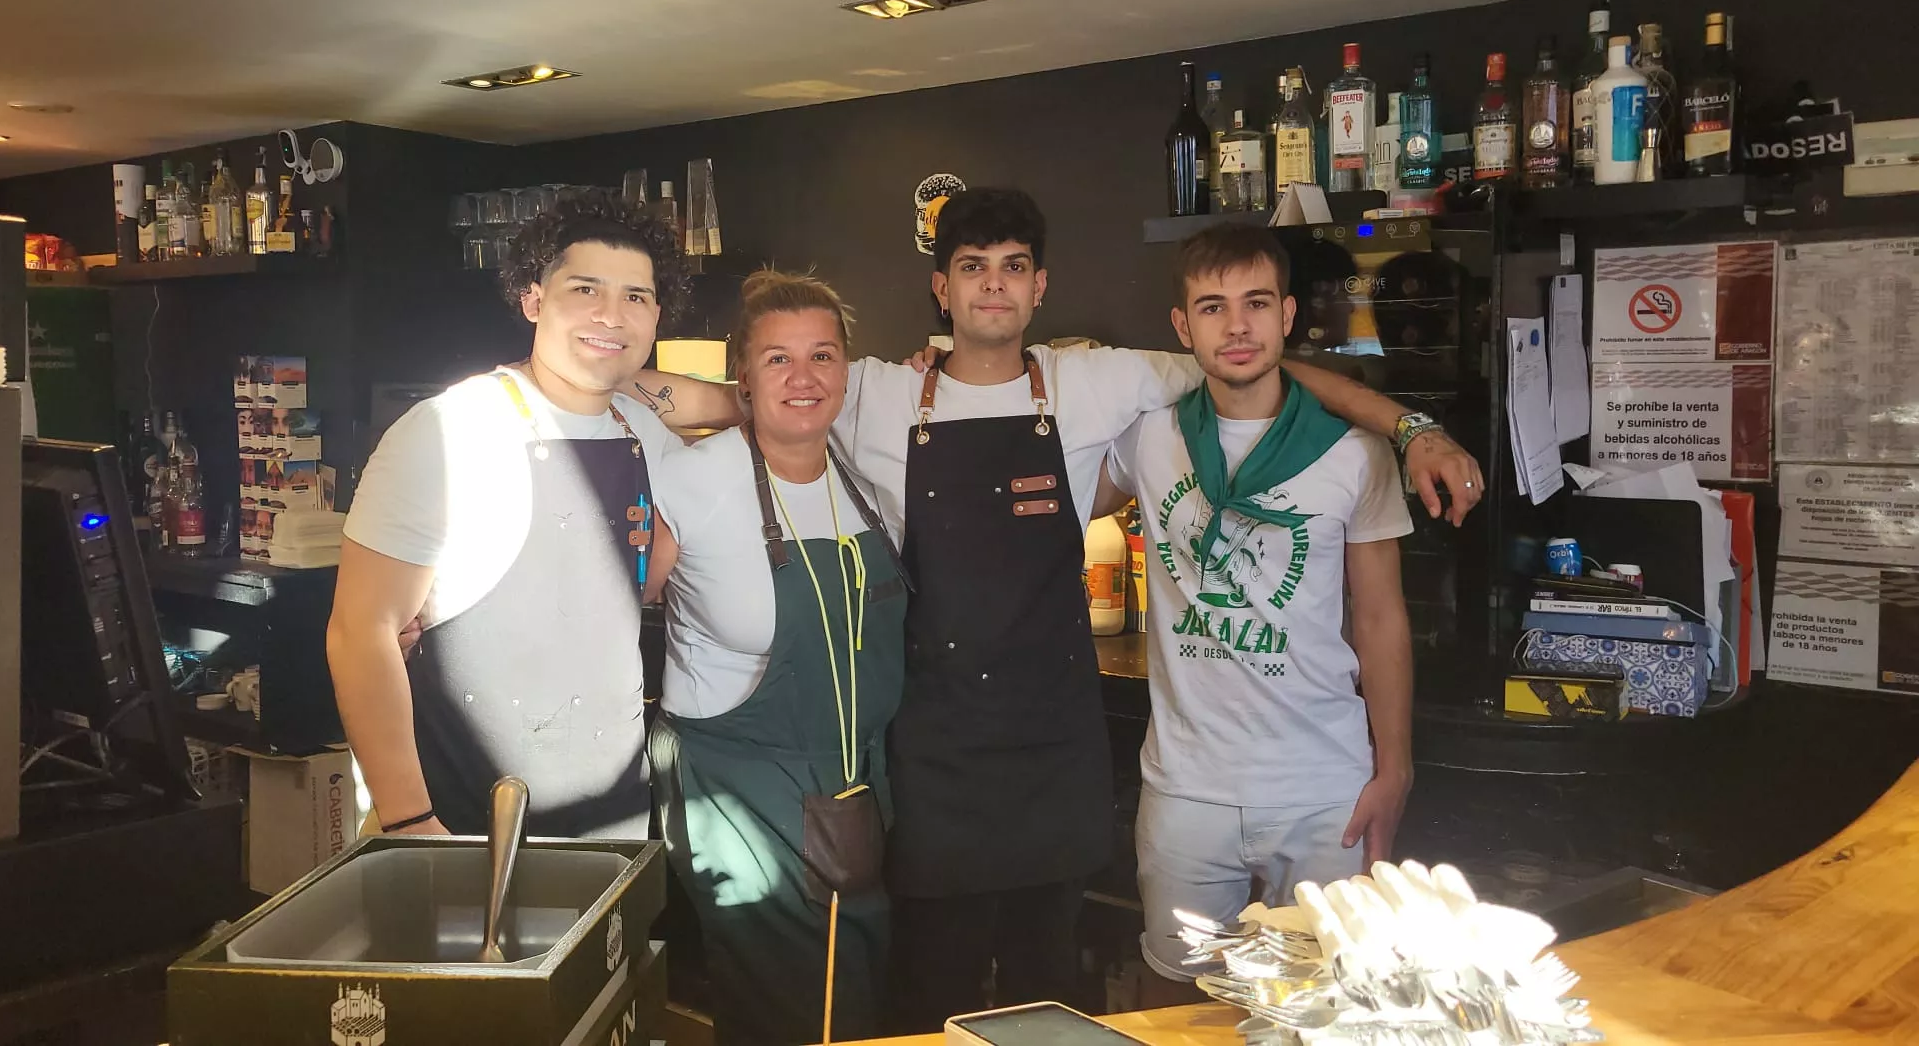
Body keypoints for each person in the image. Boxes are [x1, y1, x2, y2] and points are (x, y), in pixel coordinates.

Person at [634, 187, 1480, 1026]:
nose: (993, 286)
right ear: (943, 290)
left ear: (1041, 286)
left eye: (1013, 268)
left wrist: (1411, 431)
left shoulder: (1100, 382)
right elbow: (757, 396)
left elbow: (1258, 363)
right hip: (936, 752)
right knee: (933, 989)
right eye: (972, 268)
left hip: (1054, 746)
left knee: (1056, 987)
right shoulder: (877, 392)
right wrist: (600, 376)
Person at [1097, 223, 1414, 1006]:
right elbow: (1050, 502)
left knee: (1324, 1006)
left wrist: (1395, 767)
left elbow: (1380, 621)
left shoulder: (1353, 453)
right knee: (1183, 1006)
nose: (1236, 326)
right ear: (1183, 327)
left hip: (1324, 785)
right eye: (1212, 307)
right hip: (1185, 788)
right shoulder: (1147, 438)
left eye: (1256, 303)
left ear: (1288, 317)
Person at [325, 191, 687, 839]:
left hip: (612, 814)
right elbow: (360, 634)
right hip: (462, 819)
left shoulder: (642, 429)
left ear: (656, 314)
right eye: (585, 289)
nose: (611, 314)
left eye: (635, 296)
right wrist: (410, 818)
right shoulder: (453, 429)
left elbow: (748, 406)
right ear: (533, 299)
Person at [646, 271, 908, 1046]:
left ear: (848, 373)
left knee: (848, 992)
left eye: (822, 357)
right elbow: (607, 604)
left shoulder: (866, 478)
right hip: (739, 786)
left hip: (854, 783)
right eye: (777, 361)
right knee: (789, 1003)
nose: (804, 378)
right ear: (743, 381)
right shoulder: (693, 482)